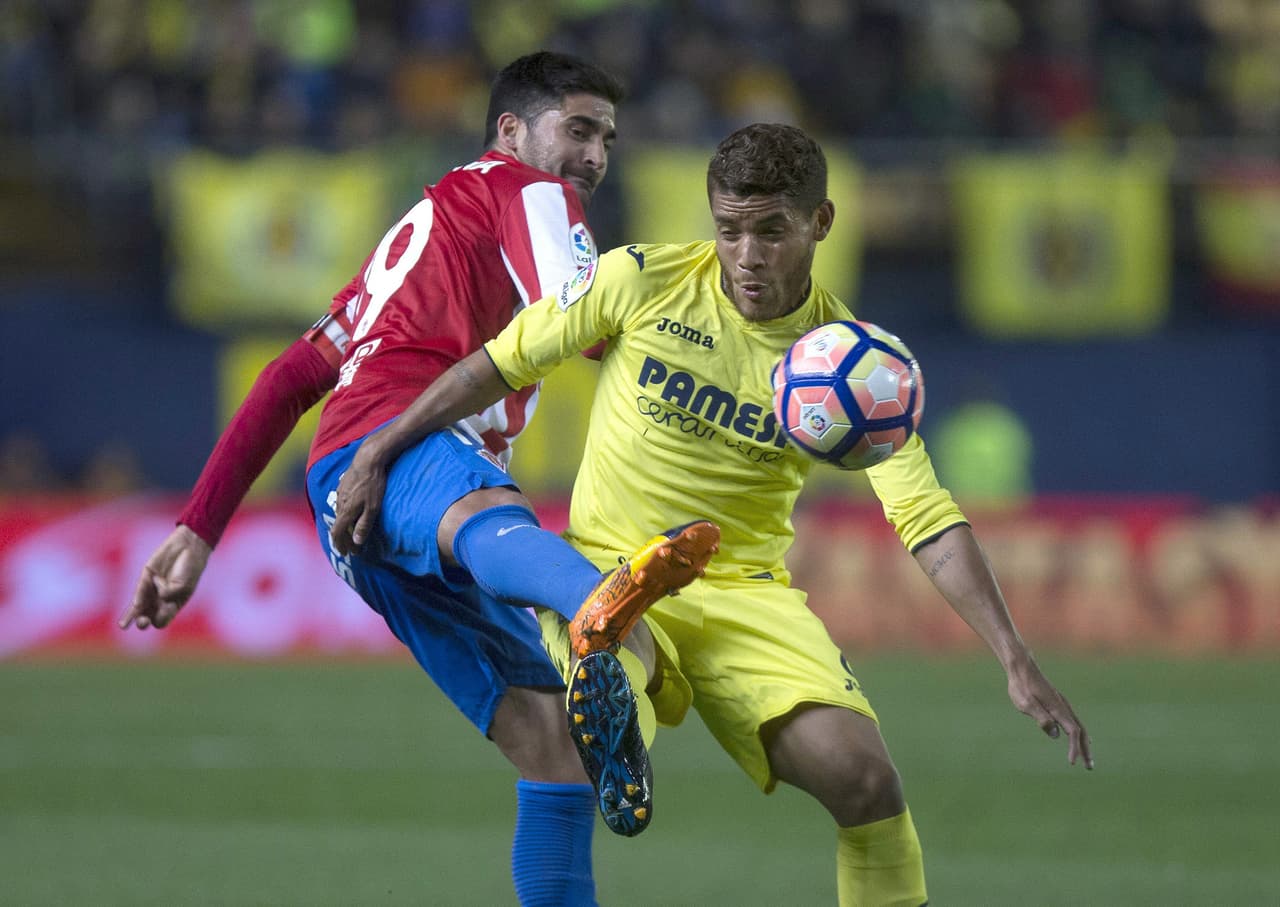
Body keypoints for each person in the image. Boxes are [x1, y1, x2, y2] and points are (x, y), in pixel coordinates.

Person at [330, 122, 1094, 906]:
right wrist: (378, 450)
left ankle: (618, 687)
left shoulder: (849, 365)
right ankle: (618, 675)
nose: (748, 255)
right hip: (603, 565)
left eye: (771, 231)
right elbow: (498, 363)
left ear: (821, 222)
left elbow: (926, 518)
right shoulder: (638, 281)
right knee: (601, 682)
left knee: (867, 781)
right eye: (729, 230)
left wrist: (1012, 653)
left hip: (744, 592)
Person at [118, 51, 715, 907]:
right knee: (488, 521)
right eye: (578, 130)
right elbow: (584, 321)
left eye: (608, 140)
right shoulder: (528, 190)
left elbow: (290, 379)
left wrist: (196, 529)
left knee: (554, 751)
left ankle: (591, 617)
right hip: (400, 447)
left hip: (348, 509)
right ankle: (597, 605)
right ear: (511, 130)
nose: (593, 156)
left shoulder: (422, 231)